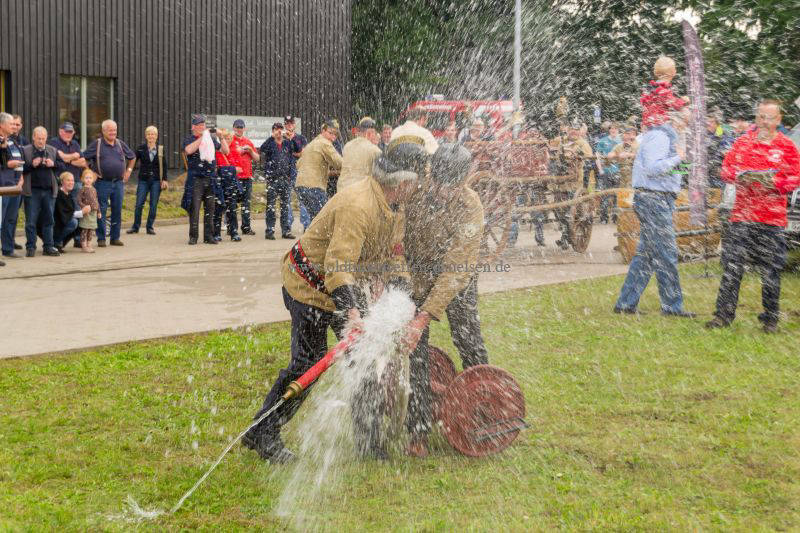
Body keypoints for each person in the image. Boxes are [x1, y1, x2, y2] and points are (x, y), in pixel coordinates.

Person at [242, 140, 425, 463]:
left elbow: (394, 254)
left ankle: (369, 442)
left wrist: (403, 292)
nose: (420, 187)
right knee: (308, 363)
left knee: (364, 357)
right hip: (308, 285)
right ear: (403, 181)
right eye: (418, 181)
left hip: (342, 288)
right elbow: (338, 265)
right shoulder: (358, 204)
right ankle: (263, 430)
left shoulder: (395, 206)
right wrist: (353, 313)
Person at [403, 143, 489, 457]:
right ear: (432, 175)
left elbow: (456, 270)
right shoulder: (414, 193)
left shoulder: (471, 206)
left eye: (451, 187)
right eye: (439, 184)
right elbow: (399, 240)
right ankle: (418, 432)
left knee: (469, 340)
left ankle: (483, 408)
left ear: (463, 181)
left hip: (458, 277)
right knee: (414, 352)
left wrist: (425, 316)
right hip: (418, 275)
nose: (443, 192)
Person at [705, 100, 800, 333]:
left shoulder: (786, 146)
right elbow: (726, 170)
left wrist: (775, 183)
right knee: (732, 268)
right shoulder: (743, 142)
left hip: (771, 219)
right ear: (756, 118)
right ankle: (723, 315)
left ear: (778, 120)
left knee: (771, 271)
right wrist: (740, 177)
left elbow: (795, 177)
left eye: (770, 117)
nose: (765, 122)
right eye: (761, 117)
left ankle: (770, 319)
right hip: (742, 217)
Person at [613, 108, 695, 317]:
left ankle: (626, 303)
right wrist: (678, 158)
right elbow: (652, 169)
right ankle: (672, 306)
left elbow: (672, 172)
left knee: (647, 255)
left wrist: (685, 163)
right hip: (653, 198)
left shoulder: (672, 136)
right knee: (666, 253)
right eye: (686, 116)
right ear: (675, 117)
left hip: (660, 197)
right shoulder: (660, 135)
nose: (689, 121)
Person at [82, 120, 135, 247]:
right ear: (103, 131)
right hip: (102, 183)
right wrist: (90, 172)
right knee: (101, 210)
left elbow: (132, 157)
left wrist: (128, 171)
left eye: (114, 130)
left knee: (117, 209)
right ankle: (101, 238)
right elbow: (84, 158)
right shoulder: (97, 144)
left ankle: (115, 238)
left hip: (118, 183)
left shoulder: (120, 144)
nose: (113, 132)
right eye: (110, 130)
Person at [182, 114, 228, 245]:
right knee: (194, 209)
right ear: (193, 127)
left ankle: (209, 236)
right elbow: (188, 150)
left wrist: (221, 137)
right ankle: (193, 236)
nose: (202, 127)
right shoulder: (189, 139)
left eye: (203, 125)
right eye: (199, 125)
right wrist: (203, 137)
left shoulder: (211, 139)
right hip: (195, 179)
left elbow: (225, 151)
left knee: (210, 209)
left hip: (210, 178)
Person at [21, 127, 60, 257]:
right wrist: (32, 165)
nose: (41, 141)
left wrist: (53, 164)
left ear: (46, 138)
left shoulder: (52, 150)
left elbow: (62, 166)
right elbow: (20, 169)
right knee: (31, 221)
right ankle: (30, 247)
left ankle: (48, 247)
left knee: (49, 220)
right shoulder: (25, 150)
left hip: (49, 191)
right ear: (33, 137)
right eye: (39, 138)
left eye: (43, 138)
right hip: (32, 191)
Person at [295, 119, 343, 221]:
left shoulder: (312, 143)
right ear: (323, 131)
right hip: (314, 187)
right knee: (323, 220)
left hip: (301, 186)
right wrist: (352, 166)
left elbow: (299, 164)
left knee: (315, 219)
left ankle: (310, 231)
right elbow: (339, 162)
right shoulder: (324, 143)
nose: (333, 137)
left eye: (335, 135)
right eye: (330, 133)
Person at [49, 122, 87, 248]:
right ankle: (57, 241)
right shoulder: (54, 142)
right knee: (62, 212)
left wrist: (67, 159)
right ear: (60, 131)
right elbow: (60, 158)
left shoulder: (75, 143)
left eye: (71, 132)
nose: (68, 134)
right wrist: (73, 157)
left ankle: (77, 239)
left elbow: (83, 162)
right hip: (61, 183)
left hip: (76, 182)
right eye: (66, 131)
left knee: (78, 209)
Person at [127, 125, 168, 235]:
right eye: (149, 134)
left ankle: (149, 227)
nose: (151, 136)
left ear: (156, 136)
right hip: (143, 180)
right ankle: (135, 227)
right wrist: (128, 170)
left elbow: (164, 165)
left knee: (153, 205)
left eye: (153, 134)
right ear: (146, 136)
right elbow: (133, 160)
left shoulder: (160, 149)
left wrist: (165, 179)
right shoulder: (141, 148)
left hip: (156, 180)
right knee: (139, 204)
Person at [260, 122, 295, 240]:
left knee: (285, 206)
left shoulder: (287, 143)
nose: (279, 131)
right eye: (276, 129)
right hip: (273, 180)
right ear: (273, 131)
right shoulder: (270, 143)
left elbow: (296, 150)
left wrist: (291, 138)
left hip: (285, 179)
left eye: (280, 129)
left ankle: (286, 231)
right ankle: (270, 231)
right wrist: (272, 137)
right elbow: (262, 149)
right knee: (271, 206)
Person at [1, 112, 26, 260]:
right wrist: (8, 164)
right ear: (1, 125)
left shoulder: (12, 141)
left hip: (15, 186)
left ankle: (8, 249)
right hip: (2, 187)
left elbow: (19, 161)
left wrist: (21, 178)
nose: (13, 127)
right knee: (1, 220)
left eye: (15, 124)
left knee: (10, 219)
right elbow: (5, 162)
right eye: (11, 124)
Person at [229, 118, 259, 236]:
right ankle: (232, 228)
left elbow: (257, 158)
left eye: (241, 127)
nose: (239, 129)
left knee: (246, 204)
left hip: (247, 177)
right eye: (237, 127)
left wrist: (250, 151)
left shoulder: (248, 141)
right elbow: (226, 154)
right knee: (232, 203)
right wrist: (238, 151)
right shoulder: (230, 140)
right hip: (234, 177)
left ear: (244, 128)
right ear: (233, 128)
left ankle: (246, 228)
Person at [640, 56, 688, 129]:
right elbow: (675, 104)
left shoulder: (651, 88)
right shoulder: (663, 90)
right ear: (673, 72)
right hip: (660, 125)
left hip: (648, 124)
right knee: (674, 134)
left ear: (656, 72)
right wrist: (683, 101)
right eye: (675, 68)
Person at [338, 117, 382, 190]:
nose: (376, 136)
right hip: (360, 191)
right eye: (375, 133)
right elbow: (381, 174)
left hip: (342, 189)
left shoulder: (347, 146)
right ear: (369, 133)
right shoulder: (374, 150)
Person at [283, 116, 310, 232]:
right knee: (286, 200)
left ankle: (306, 225)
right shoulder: (280, 138)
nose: (289, 125)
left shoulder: (301, 138)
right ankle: (287, 224)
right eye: (287, 123)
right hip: (285, 173)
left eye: (291, 123)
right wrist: (295, 152)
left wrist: (292, 151)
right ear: (284, 125)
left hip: (299, 172)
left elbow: (303, 153)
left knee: (303, 200)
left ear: (294, 124)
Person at [215, 128, 242, 242]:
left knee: (232, 209)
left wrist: (226, 169)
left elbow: (240, 169)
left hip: (231, 183)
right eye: (226, 138)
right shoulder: (216, 152)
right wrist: (231, 169)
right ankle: (216, 233)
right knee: (218, 208)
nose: (228, 140)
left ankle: (233, 232)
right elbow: (216, 169)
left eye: (230, 138)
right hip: (219, 184)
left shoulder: (234, 152)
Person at [53, 172, 88, 252]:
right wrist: (82, 212)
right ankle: (56, 242)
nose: (71, 183)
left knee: (81, 222)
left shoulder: (68, 194)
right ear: (62, 182)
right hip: (56, 225)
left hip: (63, 222)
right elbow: (65, 214)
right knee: (74, 222)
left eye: (72, 180)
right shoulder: (59, 194)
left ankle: (60, 243)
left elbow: (70, 212)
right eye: (68, 180)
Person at [595, 122, 622, 223]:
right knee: (605, 194)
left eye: (615, 128)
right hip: (606, 171)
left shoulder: (621, 141)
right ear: (609, 130)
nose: (613, 130)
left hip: (618, 171)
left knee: (617, 195)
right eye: (612, 128)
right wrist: (600, 170)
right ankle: (604, 217)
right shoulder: (603, 141)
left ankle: (616, 217)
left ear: (618, 130)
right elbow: (597, 155)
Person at [77, 169, 100, 253]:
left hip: (93, 212)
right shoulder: (82, 189)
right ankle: (84, 246)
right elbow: (78, 200)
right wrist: (84, 207)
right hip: (86, 212)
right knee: (85, 229)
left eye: (90, 178)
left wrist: (99, 211)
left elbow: (96, 201)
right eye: (86, 178)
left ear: (93, 179)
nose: (88, 180)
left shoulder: (94, 189)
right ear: (82, 179)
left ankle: (89, 245)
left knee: (91, 230)